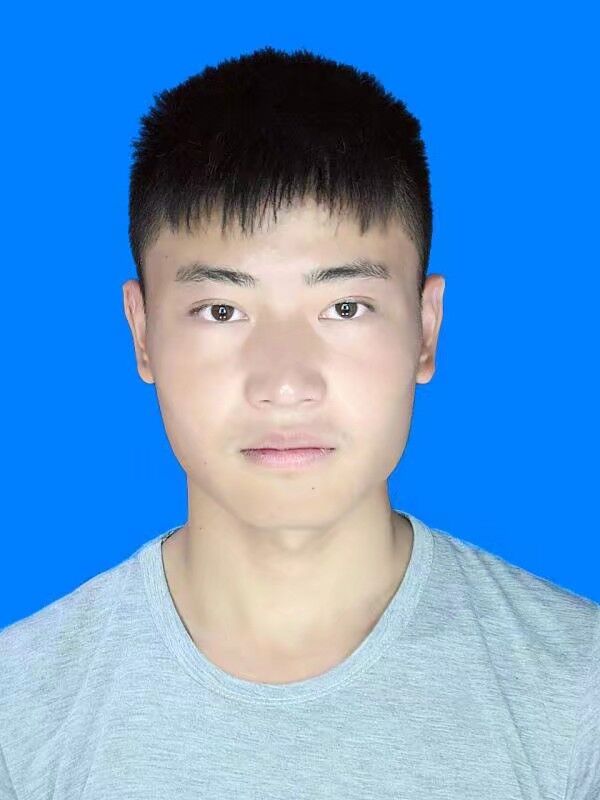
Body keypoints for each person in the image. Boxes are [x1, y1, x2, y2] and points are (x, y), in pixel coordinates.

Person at [0, 46, 597, 799]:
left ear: (425, 329)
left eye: (344, 307)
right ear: (143, 333)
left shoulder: (580, 696)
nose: (285, 383)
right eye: (222, 311)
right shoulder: (19, 716)